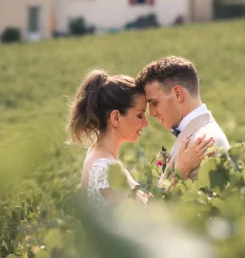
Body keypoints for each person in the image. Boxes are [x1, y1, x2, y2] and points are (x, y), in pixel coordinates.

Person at [67, 69, 213, 209]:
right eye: (139, 115)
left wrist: (171, 167)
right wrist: (182, 170)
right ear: (116, 118)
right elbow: (148, 220)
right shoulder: (105, 170)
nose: (146, 123)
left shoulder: (99, 155)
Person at [136, 56, 229, 186]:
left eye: (155, 103)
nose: (151, 113)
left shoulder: (201, 142)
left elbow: (168, 205)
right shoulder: (199, 135)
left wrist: (180, 172)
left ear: (178, 94)